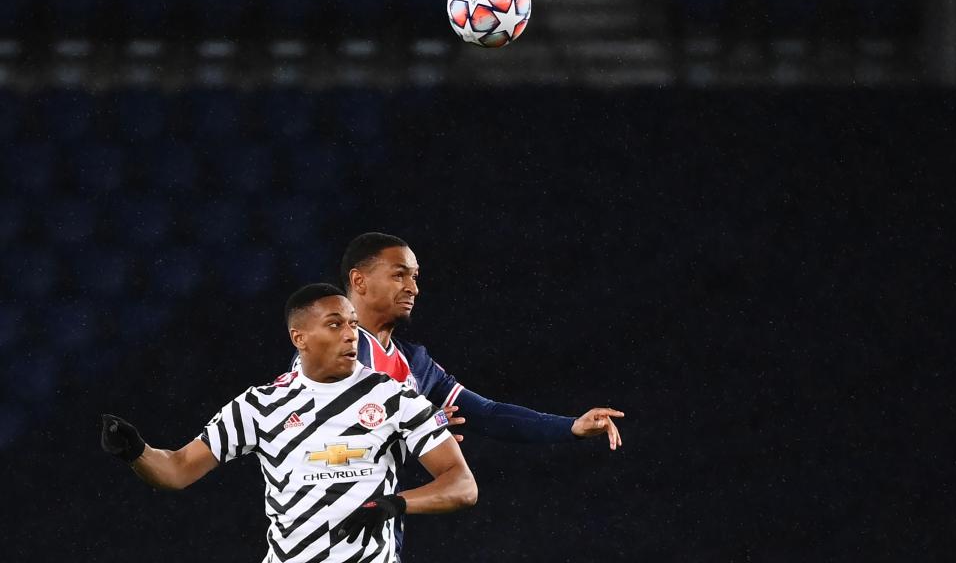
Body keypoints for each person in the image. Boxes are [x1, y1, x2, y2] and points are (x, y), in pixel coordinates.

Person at [101, 283, 477, 563]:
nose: (350, 334)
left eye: (352, 323)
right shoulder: (260, 405)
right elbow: (178, 470)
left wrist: (395, 504)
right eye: (334, 325)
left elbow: (462, 486)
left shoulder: (394, 397)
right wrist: (136, 451)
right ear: (299, 337)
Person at [291, 233, 624, 449]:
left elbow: (489, 414)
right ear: (359, 281)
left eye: (415, 277)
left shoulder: (415, 363)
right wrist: (419, 427)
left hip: (378, 532)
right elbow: (306, 438)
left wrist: (570, 427)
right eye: (399, 275)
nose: (413, 288)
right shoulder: (328, 345)